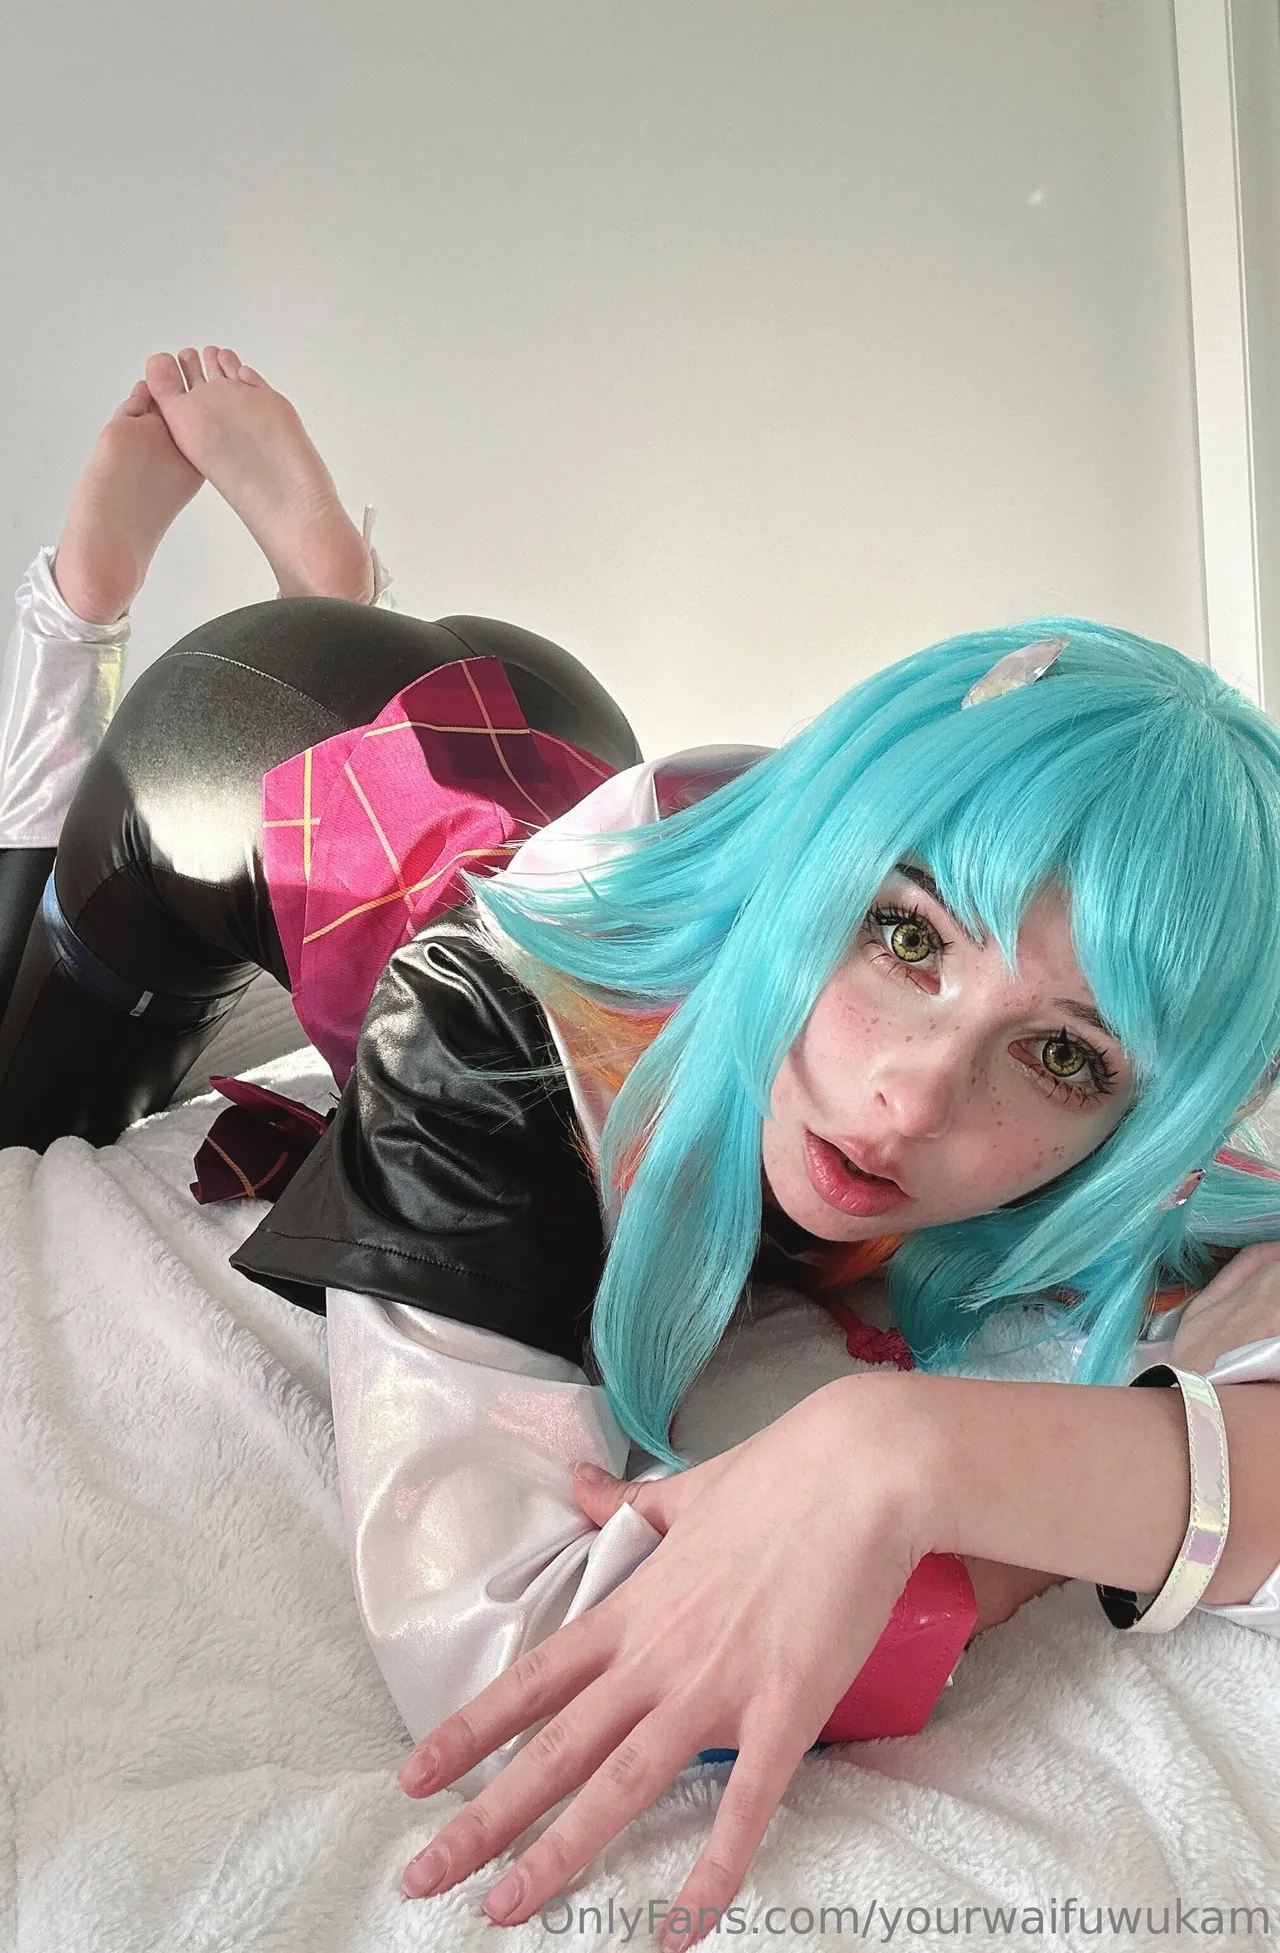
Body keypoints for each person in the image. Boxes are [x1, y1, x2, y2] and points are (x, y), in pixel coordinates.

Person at [4, 353, 1280, 1953]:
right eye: (905, 935)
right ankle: (104, 605)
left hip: (549, 728)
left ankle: (347, 592)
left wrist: (913, 1457)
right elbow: (511, 1660)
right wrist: (1031, 1535)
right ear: (827, 857)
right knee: (29, 1098)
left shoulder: (1134, 1124)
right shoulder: (482, 1035)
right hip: (237, 752)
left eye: (1063, 1054)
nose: (908, 1099)